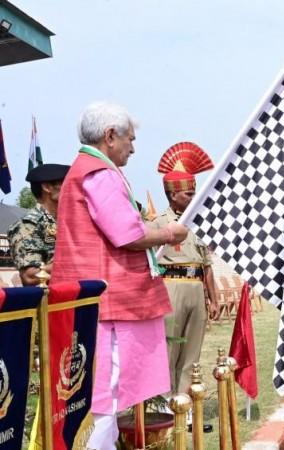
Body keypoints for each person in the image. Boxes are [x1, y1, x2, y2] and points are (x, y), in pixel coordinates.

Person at [52, 102, 189, 449]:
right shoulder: (99, 173)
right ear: (110, 136)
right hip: (110, 302)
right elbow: (127, 234)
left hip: (98, 300)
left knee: (102, 397)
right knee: (106, 398)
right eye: (130, 138)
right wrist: (170, 233)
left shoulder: (88, 170)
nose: (133, 147)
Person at [149, 142, 218, 432]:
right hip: (170, 286)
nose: (193, 197)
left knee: (191, 352)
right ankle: (165, 404)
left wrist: (213, 299)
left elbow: (207, 266)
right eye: (189, 193)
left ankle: (184, 403)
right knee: (169, 348)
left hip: (195, 287)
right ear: (172, 194)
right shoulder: (157, 223)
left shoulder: (199, 224)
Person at [8, 163, 70, 286]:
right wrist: (72, 263)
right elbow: (30, 276)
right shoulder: (28, 225)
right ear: (47, 187)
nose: (72, 188)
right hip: (47, 302)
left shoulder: (65, 222)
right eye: (66, 183)